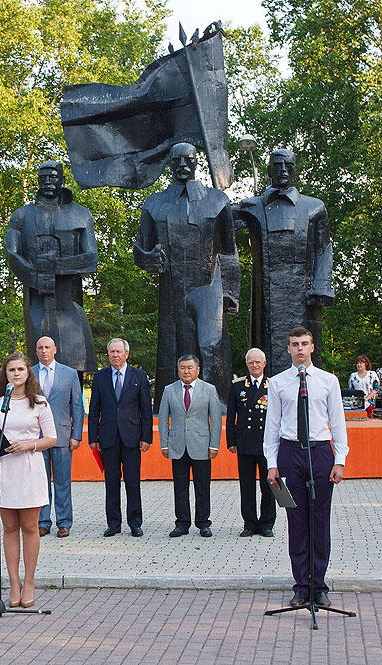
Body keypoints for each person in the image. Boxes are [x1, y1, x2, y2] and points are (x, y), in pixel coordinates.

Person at [134, 142, 240, 406]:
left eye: (188, 160)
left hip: (208, 287)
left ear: (196, 163)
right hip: (171, 290)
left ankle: (220, 408)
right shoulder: (155, 203)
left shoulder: (217, 201)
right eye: (177, 160)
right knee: (172, 353)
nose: (182, 166)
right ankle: (168, 409)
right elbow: (140, 248)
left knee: (211, 349)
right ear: (169, 163)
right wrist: (148, 259)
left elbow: (228, 251)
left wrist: (230, 293)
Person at [265, 327, 349, 608]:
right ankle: (301, 586)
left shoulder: (328, 381)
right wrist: (272, 464)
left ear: (313, 347)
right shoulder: (277, 383)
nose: (299, 349)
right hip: (291, 452)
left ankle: (319, 586)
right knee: (297, 522)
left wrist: (340, 459)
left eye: (304, 344)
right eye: (294, 344)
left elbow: (337, 422)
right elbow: (273, 426)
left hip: (320, 452)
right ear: (287, 349)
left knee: (320, 520)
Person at [234, 149, 335, 378]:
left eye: (287, 166)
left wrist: (322, 286)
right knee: (267, 347)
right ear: (269, 170)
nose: (282, 171)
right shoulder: (252, 206)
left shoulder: (314, 207)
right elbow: (219, 226)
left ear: (294, 171)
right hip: (265, 292)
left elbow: (324, 249)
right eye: (277, 166)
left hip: (303, 292)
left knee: (305, 349)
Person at [0, 353, 56, 608]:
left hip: (29, 468)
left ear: (28, 373)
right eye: (11, 370)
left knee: (30, 527)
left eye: (21, 369)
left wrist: (29, 444)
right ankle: (14, 583)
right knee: (9, 528)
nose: (16, 374)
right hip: (5, 469)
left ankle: (29, 581)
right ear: (5, 374)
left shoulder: (39, 402)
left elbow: (51, 438)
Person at [5, 161, 99, 375]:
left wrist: (56, 266)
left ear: (62, 179)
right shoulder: (21, 216)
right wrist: (36, 276)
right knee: (38, 363)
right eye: (43, 177)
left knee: (75, 364)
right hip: (36, 299)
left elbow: (91, 258)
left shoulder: (81, 214)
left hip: (69, 301)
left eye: (53, 177)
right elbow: (12, 254)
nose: (48, 181)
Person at [87, 338, 153, 538]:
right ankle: (113, 523)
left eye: (118, 351)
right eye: (111, 352)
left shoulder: (139, 376)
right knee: (111, 482)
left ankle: (135, 523)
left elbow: (145, 410)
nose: (115, 355)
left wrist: (146, 437)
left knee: (133, 482)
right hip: (108, 438)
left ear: (126, 354)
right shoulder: (100, 377)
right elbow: (94, 410)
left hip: (132, 437)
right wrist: (92, 437)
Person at [158, 354, 222, 538]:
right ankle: (182, 523)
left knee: (202, 486)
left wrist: (214, 445)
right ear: (178, 370)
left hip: (201, 445)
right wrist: (164, 444)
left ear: (198, 370)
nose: (186, 371)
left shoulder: (209, 389)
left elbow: (216, 419)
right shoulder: (169, 390)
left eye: (189, 368)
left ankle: (203, 523)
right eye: (182, 368)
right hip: (177, 445)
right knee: (180, 487)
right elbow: (163, 419)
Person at [33, 336, 84, 538]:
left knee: (63, 482)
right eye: (40, 348)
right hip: (37, 436)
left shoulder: (69, 373)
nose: (44, 351)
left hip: (63, 435)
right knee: (40, 482)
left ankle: (64, 522)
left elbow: (77, 406)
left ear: (55, 349)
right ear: (36, 351)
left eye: (47, 347)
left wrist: (77, 434)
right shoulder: (29, 374)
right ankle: (43, 522)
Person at [225, 348, 275, 537]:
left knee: (268, 484)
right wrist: (231, 440)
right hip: (244, 443)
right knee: (246, 485)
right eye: (251, 362)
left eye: (258, 362)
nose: (254, 365)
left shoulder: (273, 385)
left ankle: (267, 523)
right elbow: (231, 416)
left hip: (266, 444)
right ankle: (249, 523)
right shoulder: (238, 386)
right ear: (247, 364)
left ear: (264, 363)